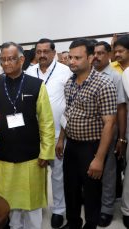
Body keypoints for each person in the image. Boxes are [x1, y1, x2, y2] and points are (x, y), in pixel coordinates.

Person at [0, 42, 55, 229]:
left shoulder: (37, 86)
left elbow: (47, 122)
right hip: (4, 157)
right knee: (9, 205)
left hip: (31, 157)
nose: (6, 63)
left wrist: (46, 152)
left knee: (32, 207)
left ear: (21, 60)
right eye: (3, 59)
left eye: (11, 59)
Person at [57, 39, 117, 229]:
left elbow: (110, 123)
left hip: (92, 146)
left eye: (77, 57)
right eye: (70, 57)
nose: (71, 61)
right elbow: (68, 113)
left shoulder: (103, 84)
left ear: (90, 58)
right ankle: (74, 222)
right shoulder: (70, 82)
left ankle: (90, 224)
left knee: (91, 191)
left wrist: (99, 158)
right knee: (71, 187)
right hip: (72, 145)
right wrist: (61, 140)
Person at [26, 38, 72, 229]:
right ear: (35, 53)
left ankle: (59, 210)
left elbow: (70, 105)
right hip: (33, 134)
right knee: (36, 172)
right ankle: (38, 206)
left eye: (46, 51)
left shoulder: (65, 71)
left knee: (58, 174)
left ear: (54, 53)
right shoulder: (29, 72)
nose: (42, 55)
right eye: (39, 51)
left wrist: (63, 135)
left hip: (56, 134)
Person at [93, 41, 127, 227]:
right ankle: (95, 204)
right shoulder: (87, 75)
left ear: (109, 55)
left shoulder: (115, 77)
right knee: (91, 171)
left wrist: (121, 138)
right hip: (90, 133)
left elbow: (121, 109)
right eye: (94, 53)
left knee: (108, 172)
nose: (96, 56)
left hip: (110, 133)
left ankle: (106, 209)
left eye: (101, 53)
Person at [115, 34, 129, 228]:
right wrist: (122, 138)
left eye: (121, 50)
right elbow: (122, 108)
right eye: (115, 51)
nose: (117, 54)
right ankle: (127, 209)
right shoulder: (126, 73)